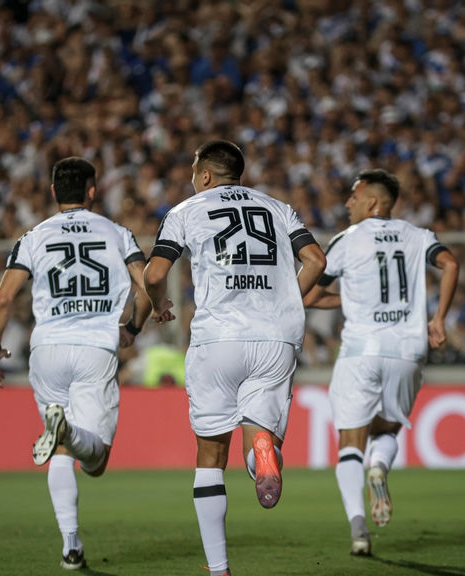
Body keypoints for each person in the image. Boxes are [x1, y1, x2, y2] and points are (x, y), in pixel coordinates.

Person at [143, 140, 327, 576]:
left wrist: (157, 304)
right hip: (274, 339)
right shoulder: (278, 208)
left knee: (210, 457)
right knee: (260, 436)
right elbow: (316, 260)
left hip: (218, 338)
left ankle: (219, 569)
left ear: (205, 175)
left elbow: (154, 274)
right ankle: (263, 450)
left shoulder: (186, 211)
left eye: (193, 170)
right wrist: (285, 303)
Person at [0, 157, 155, 571]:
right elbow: (146, 287)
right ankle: (69, 431)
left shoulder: (34, 235)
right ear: (93, 192)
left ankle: (71, 546)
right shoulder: (118, 233)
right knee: (94, 462)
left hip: (46, 349)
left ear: (52, 192)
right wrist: (132, 326)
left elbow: (3, 298)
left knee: (61, 448)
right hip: (95, 347)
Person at [304, 169, 460, 556]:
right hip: (408, 350)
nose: (347, 203)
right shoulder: (417, 235)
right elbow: (452, 265)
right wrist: (438, 319)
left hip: (361, 350)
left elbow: (306, 296)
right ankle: (381, 467)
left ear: (372, 202)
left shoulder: (346, 240)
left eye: (354, 197)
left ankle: (359, 528)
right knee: (387, 430)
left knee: (349, 443)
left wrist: (353, 298)